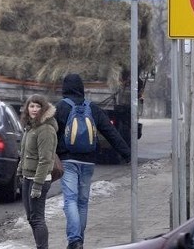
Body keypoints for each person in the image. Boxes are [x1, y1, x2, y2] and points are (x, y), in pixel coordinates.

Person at [55, 73, 131, 249]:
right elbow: (110, 132)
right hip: (88, 162)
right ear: (82, 88)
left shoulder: (61, 107)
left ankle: (74, 240)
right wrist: (126, 153)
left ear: (65, 88)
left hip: (68, 160)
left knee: (70, 200)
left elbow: (51, 133)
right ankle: (78, 240)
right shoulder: (93, 108)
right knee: (82, 201)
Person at [16, 94, 58, 249]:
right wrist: (20, 171)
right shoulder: (30, 127)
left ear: (43, 108)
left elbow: (45, 159)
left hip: (38, 179)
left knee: (37, 218)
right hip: (28, 177)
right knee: (31, 218)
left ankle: (43, 247)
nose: (34, 109)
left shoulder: (45, 129)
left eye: (38, 106)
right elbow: (24, 152)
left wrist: (38, 184)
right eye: (31, 106)